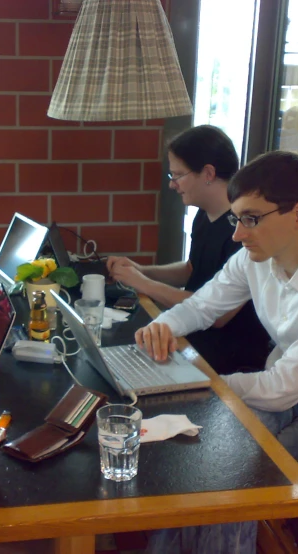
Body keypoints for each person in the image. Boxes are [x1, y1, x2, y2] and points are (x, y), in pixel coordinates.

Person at [138, 151, 298, 553]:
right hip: (286, 395)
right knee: (200, 459)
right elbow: (203, 306)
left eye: (251, 218)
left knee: (241, 475)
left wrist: (202, 385)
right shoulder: (256, 257)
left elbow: (283, 386)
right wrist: (163, 326)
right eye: (237, 218)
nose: (238, 235)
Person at [107, 125, 271, 374]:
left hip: (230, 354)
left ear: (207, 173)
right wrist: (144, 271)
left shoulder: (243, 232)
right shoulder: (204, 215)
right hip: (197, 333)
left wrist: (142, 283)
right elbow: (192, 268)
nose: (173, 185)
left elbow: (217, 315)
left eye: (177, 175)